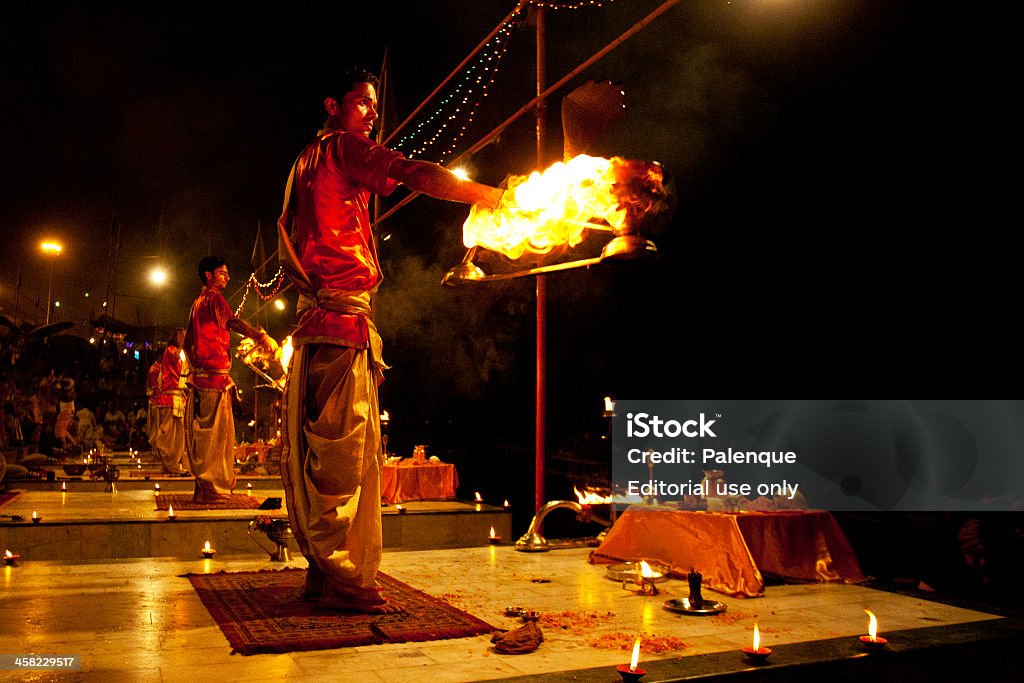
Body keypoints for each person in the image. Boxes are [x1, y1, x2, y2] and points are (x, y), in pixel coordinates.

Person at [277, 66, 503, 613]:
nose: (372, 114)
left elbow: (292, 232)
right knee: (343, 455)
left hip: (316, 328)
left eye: (374, 105)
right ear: (333, 105)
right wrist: (484, 194)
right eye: (363, 103)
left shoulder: (302, 163)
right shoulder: (341, 148)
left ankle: (321, 570)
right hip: (337, 326)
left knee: (317, 453)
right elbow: (412, 171)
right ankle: (346, 577)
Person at [183, 256, 277, 503]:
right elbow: (232, 322)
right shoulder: (213, 298)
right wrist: (260, 336)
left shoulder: (197, 303)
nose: (227, 277)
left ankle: (204, 487)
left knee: (210, 435)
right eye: (222, 273)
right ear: (208, 275)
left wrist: (197, 366)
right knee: (213, 438)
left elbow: (187, 343)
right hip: (211, 379)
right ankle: (208, 488)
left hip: (209, 377)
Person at [150, 328, 190, 475]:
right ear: (178, 336)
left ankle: (173, 464)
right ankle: (171, 464)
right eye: (184, 336)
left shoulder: (181, 352)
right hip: (169, 399)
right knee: (169, 435)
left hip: (179, 398)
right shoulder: (171, 350)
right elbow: (177, 357)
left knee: (180, 435)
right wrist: (182, 345)